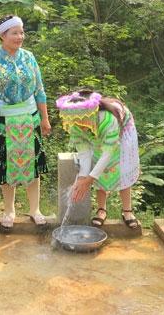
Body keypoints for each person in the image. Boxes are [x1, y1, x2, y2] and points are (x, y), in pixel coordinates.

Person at [0, 15, 51, 231]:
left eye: (22, 32)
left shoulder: (29, 57)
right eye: (15, 33)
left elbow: (39, 90)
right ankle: (9, 210)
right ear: (2, 35)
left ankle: (34, 209)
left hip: (30, 119)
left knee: (33, 167)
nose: (20, 36)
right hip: (2, 121)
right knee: (6, 166)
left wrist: (45, 118)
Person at [57, 90, 141, 228]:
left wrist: (90, 179)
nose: (78, 123)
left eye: (81, 118)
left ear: (91, 113)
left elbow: (107, 154)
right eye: (75, 120)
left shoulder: (108, 119)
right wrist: (83, 177)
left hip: (123, 130)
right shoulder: (75, 124)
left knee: (122, 168)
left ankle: (127, 210)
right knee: (96, 163)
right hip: (98, 135)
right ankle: (101, 209)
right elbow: (84, 153)